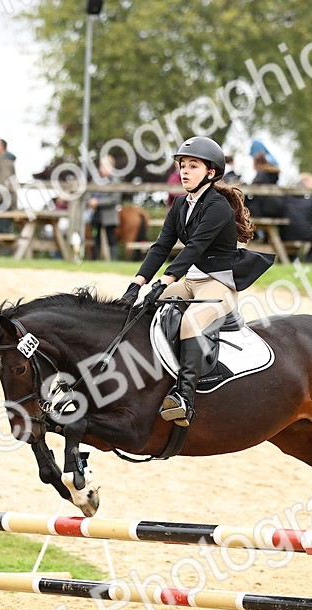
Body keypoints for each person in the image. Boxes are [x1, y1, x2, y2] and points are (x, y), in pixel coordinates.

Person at [119, 136, 274, 427]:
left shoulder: (217, 207)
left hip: (218, 286)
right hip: (190, 282)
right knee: (144, 312)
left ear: (211, 172)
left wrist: (164, 282)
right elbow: (161, 246)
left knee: (191, 322)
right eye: (182, 166)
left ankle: (184, 399)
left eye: (193, 166)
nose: (185, 172)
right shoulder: (179, 205)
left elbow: (194, 248)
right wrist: (137, 284)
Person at [281, 173, 312, 262]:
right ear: (307, 183)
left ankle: (292, 260)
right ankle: (310, 261)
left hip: (285, 233)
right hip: (303, 233)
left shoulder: (287, 196)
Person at [87, 156, 119, 260]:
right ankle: (94, 260)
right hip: (96, 215)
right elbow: (89, 194)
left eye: (105, 166)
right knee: (96, 239)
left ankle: (113, 261)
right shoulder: (96, 180)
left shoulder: (115, 181)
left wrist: (98, 202)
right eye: (101, 166)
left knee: (111, 239)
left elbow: (114, 199)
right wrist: (90, 201)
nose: (102, 168)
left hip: (109, 215)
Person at [0, 138, 19, 233]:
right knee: (0, 234)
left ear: (1, 147)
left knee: (1, 235)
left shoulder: (5, 163)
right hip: (2, 204)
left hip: (2, 205)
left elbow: (4, 185)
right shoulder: (3, 162)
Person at [245, 152, 284, 220]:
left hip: (265, 210)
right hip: (277, 209)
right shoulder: (273, 175)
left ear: (258, 163)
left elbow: (252, 188)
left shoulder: (261, 175)